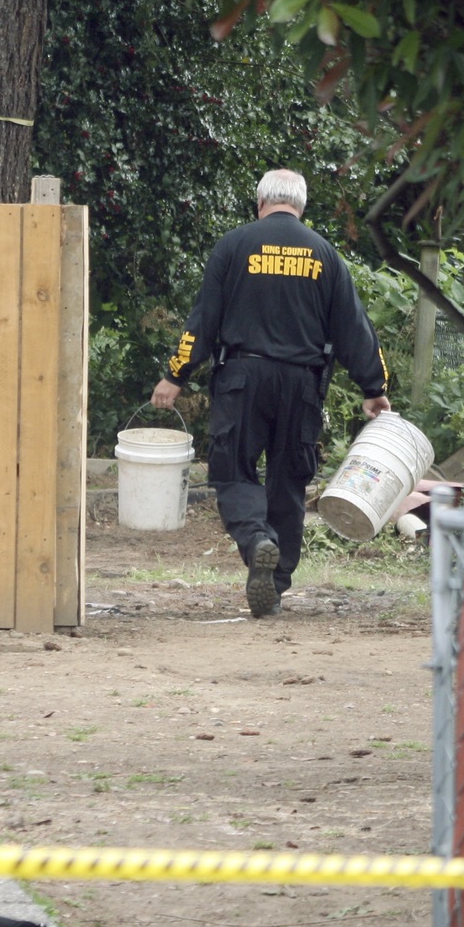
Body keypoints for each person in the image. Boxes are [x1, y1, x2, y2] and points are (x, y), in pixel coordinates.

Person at [152, 169, 390, 618]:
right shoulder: (325, 254)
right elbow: (355, 328)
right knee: (289, 482)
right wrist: (374, 387)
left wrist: (176, 374)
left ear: (260, 201)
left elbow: (204, 318)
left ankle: (257, 538)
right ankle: (275, 584)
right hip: (301, 385)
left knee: (233, 472)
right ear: (300, 206)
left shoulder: (234, 245)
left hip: (242, 379)